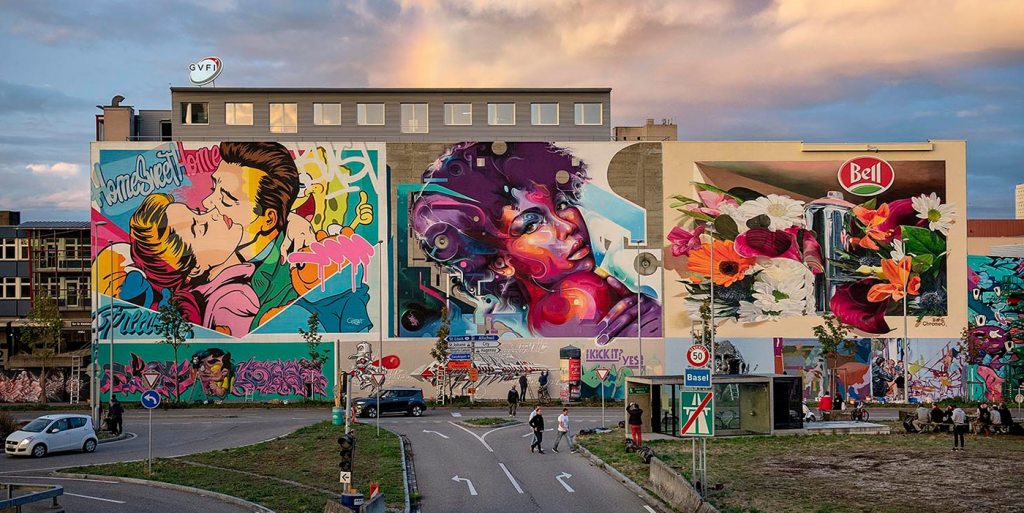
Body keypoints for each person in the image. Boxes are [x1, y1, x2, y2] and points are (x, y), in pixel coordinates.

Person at [410, 142, 662, 344]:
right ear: (501, 263)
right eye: (531, 224)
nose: (567, 226)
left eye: (561, 204)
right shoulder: (581, 298)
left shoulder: (537, 319)